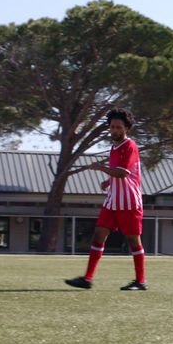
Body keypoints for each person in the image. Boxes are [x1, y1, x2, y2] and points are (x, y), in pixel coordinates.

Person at [65, 108, 148, 291]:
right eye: (112, 127)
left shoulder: (130, 146)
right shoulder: (114, 147)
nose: (115, 130)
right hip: (113, 201)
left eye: (119, 127)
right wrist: (108, 181)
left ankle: (140, 281)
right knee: (98, 235)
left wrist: (101, 168)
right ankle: (87, 278)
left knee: (133, 241)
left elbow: (122, 172)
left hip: (129, 202)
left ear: (126, 128)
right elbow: (118, 173)